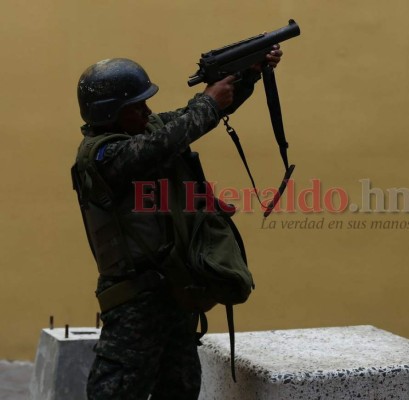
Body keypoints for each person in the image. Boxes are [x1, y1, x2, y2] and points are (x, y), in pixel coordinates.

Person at [72, 46, 282, 400]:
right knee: (119, 391)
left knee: (181, 387)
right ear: (111, 114)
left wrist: (249, 73)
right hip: (136, 304)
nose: (147, 110)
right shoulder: (102, 156)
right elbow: (165, 141)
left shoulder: (144, 131)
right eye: (137, 107)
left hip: (177, 293)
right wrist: (209, 102)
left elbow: (196, 116)